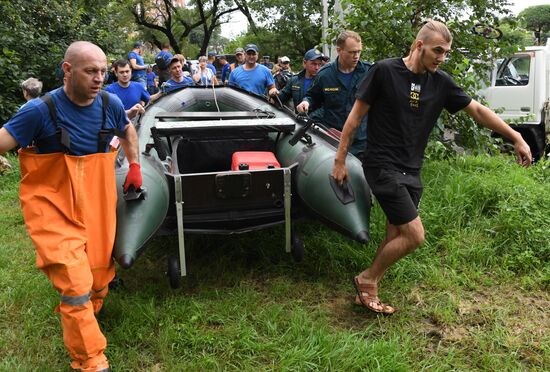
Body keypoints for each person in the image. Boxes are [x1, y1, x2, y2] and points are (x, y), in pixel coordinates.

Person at [331, 21, 532, 315]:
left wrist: (516, 136)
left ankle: (369, 290)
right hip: (382, 166)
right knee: (414, 235)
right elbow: (355, 118)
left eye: (446, 52)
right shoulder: (385, 71)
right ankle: (367, 279)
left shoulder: (440, 82)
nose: (442, 57)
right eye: (438, 50)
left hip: (412, 169)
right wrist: (339, 160)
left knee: (395, 234)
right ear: (418, 46)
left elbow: (476, 110)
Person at [0, 41, 142, 371]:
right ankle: (91, 360)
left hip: (96, 199)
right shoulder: (39, 110)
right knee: (75, 284)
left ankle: (87, 310)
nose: (98, 78)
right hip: (52, 204)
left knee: (97, 273)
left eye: (103, 72)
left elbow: (128, 130)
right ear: (67, 70)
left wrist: (134, 167)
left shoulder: (110, 103)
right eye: (91, 71)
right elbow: (3, 140)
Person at [297, 30, 371, 157]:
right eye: (352, 52)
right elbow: (312, 96)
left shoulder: (369, 73)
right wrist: (306, 102)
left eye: (359, 51)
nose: (356, 56)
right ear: (339, 50)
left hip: (361, 143)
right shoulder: (325, 74)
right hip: (332, 141)